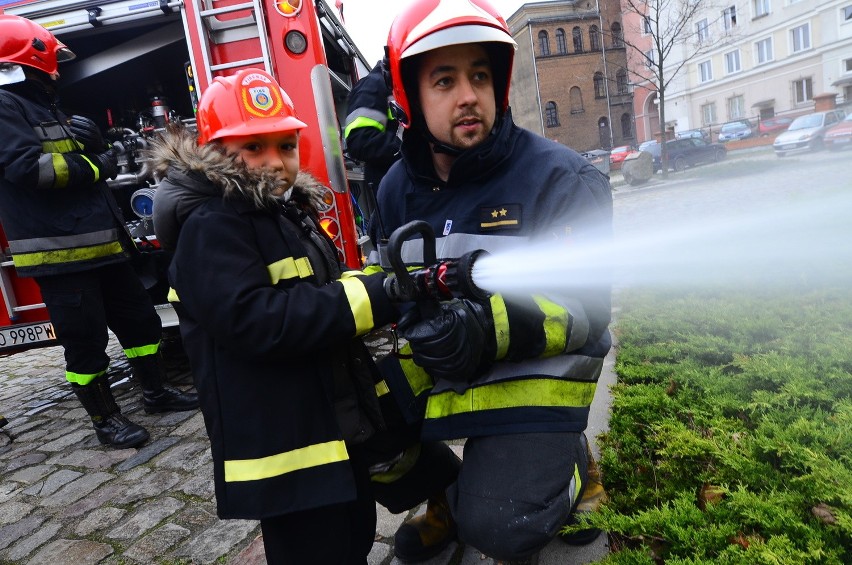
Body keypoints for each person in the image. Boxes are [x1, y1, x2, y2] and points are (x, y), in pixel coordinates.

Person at [372, 0, 614, 562]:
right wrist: (427, 328)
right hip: (451, 357)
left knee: (501, 529)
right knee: (352, 416)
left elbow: (587, 311)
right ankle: (445, 495)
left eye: (480, 76)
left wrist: (484, 328)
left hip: (536, 365)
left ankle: (573, 469)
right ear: (410, 94)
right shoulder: (393, 190)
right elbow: (400, 289)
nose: (468, 96)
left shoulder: (561, 179)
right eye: (445, 80)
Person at [150, 68, 408, 564]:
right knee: (313, 548)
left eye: (285, 146)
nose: (276, 162)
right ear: (215, 152)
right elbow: (256, 321)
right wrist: (373, 299)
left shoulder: (281, 213)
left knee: (353, 532)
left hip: (324, 425)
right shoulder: (211, 225)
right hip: (285, 447)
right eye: (254, 148)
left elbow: (318, 289)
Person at [0, 15, 198, 449]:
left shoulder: (42, 106)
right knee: (84, 343)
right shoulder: (5, 105)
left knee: (141, 323)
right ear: (27, 64)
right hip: (60, 257)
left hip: (102, 245)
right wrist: (100, 165)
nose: (55, 72)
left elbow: (76, 157)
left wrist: (99, 147)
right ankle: (106, 421)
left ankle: (155, 393)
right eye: (48, 65)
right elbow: (29, 168)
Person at [343, 60, 401, 244]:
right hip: (393, 190)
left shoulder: (397, 85)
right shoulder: (373, 86)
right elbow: (360, 142)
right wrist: (412, 148)